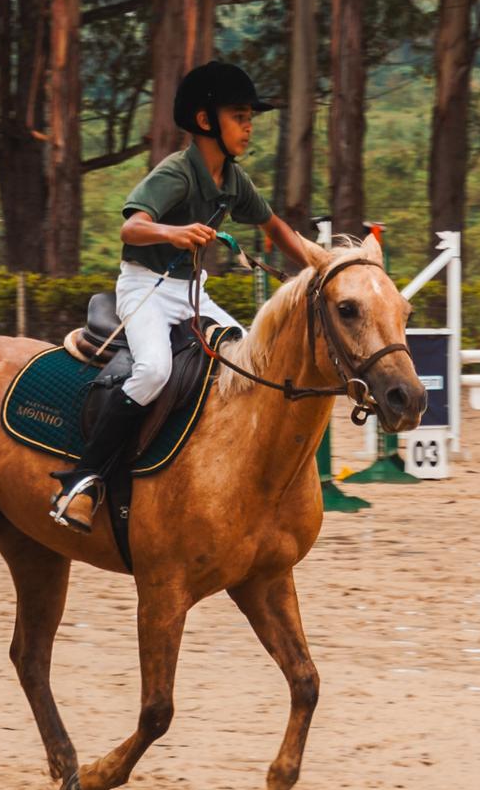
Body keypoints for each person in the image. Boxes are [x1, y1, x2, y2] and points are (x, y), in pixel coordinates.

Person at [50, 60, 314, 532]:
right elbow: (130, 226)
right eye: (240, 116)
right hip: (144, 290)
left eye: (251, 117)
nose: (249, 127)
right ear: (205, 120)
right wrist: (172, 233)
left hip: (192, 292)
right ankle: (83, 479)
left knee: (249, 358)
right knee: (154, 370)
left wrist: (320, 264)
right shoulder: (176, 172)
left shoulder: (234, 180)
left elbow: (274, 226)